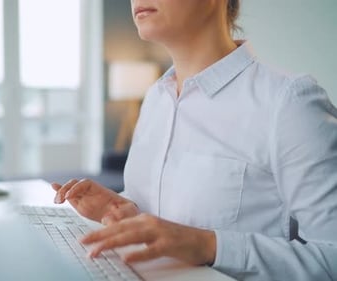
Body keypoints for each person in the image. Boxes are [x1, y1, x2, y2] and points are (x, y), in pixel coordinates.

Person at [52, 0, 337, 280]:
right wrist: (123, 211)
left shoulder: (289, 103)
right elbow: (165, 222)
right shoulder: (155, 98)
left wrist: (209, 246)